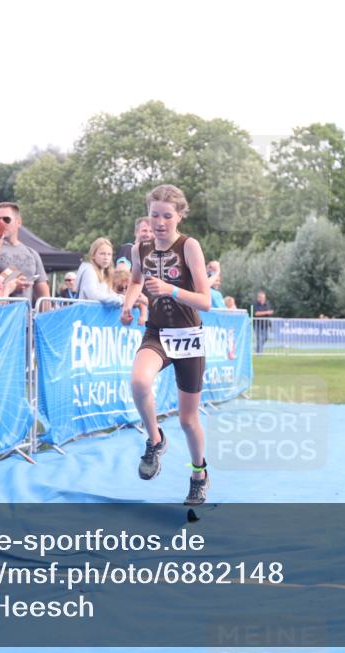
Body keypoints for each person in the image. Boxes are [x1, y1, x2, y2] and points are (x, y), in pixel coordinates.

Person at [121, 184, 212, 505]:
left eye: (167, 216)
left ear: (179, 216)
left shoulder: (189, 246)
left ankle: (199, 473)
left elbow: (205, 301)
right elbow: (135, 279)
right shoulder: (139, 249)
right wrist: (128, 303)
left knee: (188, 420)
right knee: (138, 381)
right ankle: (155, 439)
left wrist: (170, 289)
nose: (160, 222)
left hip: (188, 336)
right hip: (157, 332)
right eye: (154, 215)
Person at [0, 202, 51, 307]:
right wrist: (10, 286)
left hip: (24, 318)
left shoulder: (32, 253)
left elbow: (43, 294)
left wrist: (46, 321)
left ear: (18, 222)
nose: (0, 223)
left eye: (6, 219)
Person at [77, 238, 125, 305]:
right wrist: (118, 300)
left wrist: (122, 297)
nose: (106, 257)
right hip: (87, 313)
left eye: (109, 254)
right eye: (102, 254)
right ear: (93, 255)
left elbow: (108, 293)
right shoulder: (89, 270)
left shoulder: (104, 272)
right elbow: (93, 294)